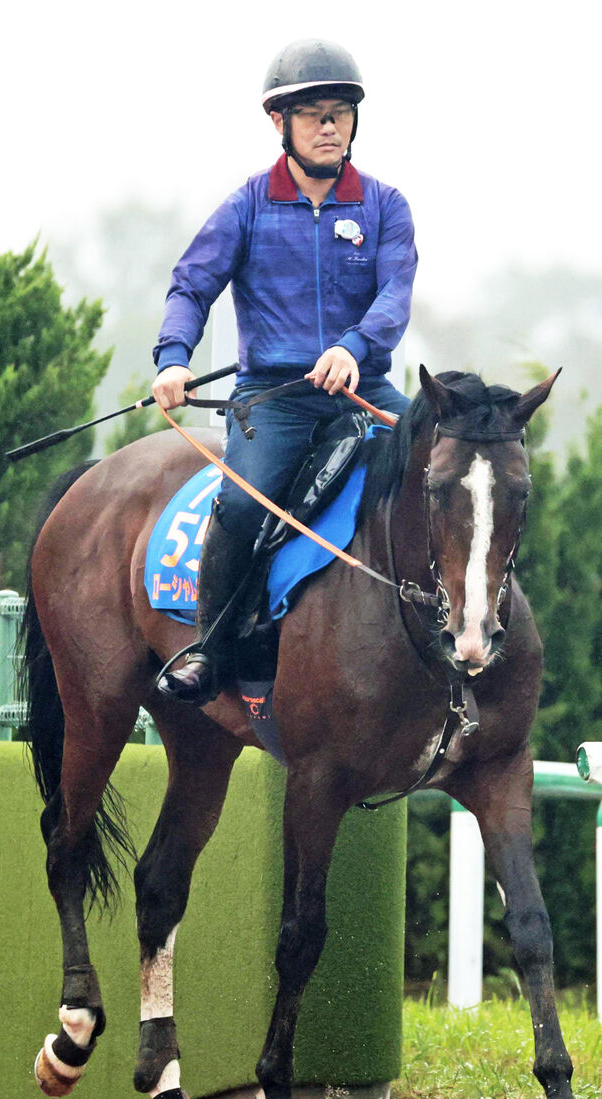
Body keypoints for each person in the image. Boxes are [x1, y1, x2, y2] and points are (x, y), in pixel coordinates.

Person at [152, 38, 418, 704]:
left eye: (339, 113)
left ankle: (456, 625)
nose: (329, 126)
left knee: (447, 469)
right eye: (313, 114)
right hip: (275, 397)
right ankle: (211, 648)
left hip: (365, 385)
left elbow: (395, 295)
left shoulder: (386, 207)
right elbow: (191, 285)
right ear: (281, 124)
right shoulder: (246, 206)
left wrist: (354, 348)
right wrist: (173, 359)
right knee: (242, 503)